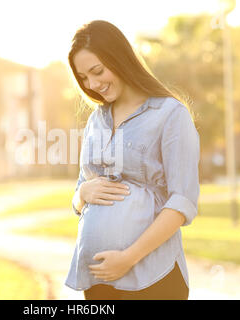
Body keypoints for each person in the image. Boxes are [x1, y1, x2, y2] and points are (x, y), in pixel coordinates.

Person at [65, 20, 200, 300]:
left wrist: (128, 258)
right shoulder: (96, 121)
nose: (92, 84)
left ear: (120, 58)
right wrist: (81, 194)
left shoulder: (170, 114)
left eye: (97, 71)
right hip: (98, 278)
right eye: (84, 78)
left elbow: (182, 202)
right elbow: (80, 192)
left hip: (153, 277)